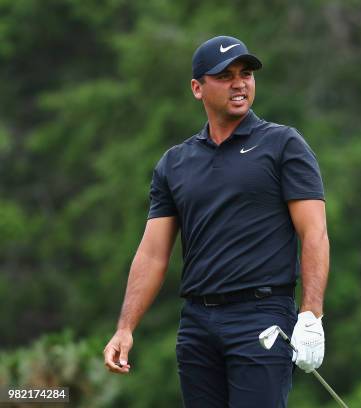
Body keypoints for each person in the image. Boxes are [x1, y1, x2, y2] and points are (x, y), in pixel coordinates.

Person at [103, 35, 329, 407]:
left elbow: (314, 233)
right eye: (225, 76)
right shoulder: (175, 163)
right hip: (197, 324)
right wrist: (125, 328)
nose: (239, 83)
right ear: (197, 88)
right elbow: (153, 254)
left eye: (246, 74)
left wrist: (311, 315)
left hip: (262, 318)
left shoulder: (283, 145)